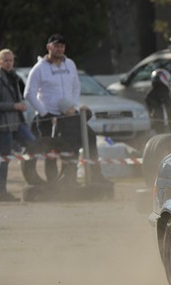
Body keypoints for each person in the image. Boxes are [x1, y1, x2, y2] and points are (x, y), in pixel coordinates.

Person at [24, 34, 111, 184]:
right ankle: (53, 184)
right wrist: (45, 113)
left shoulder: (70, 64)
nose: (59, 49)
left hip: (69, 114)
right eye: (56, 46)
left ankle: (95, 175)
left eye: (62, 46)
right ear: (49, 47)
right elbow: (28, 93)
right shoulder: (39, 68)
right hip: (48, 116)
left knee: (89, 137)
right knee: (51, 150)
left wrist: (72, 105)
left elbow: (76, 86)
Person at [0, 50, 36, 201]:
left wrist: (21, 105)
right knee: (4, 159)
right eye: (5, 60)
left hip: (18, 123)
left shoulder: (14, 78)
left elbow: (18, 98)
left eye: (11, 60)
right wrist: (14, 106)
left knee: (33, 145)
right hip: (2, 125)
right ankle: (2, 194)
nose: (9, 63)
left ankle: (34, 181)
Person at [145, 68, 171, 134]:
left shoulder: (151, 94)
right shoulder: (164, 93)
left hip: (156, 127)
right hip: (164, 127)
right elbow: (170, 110)